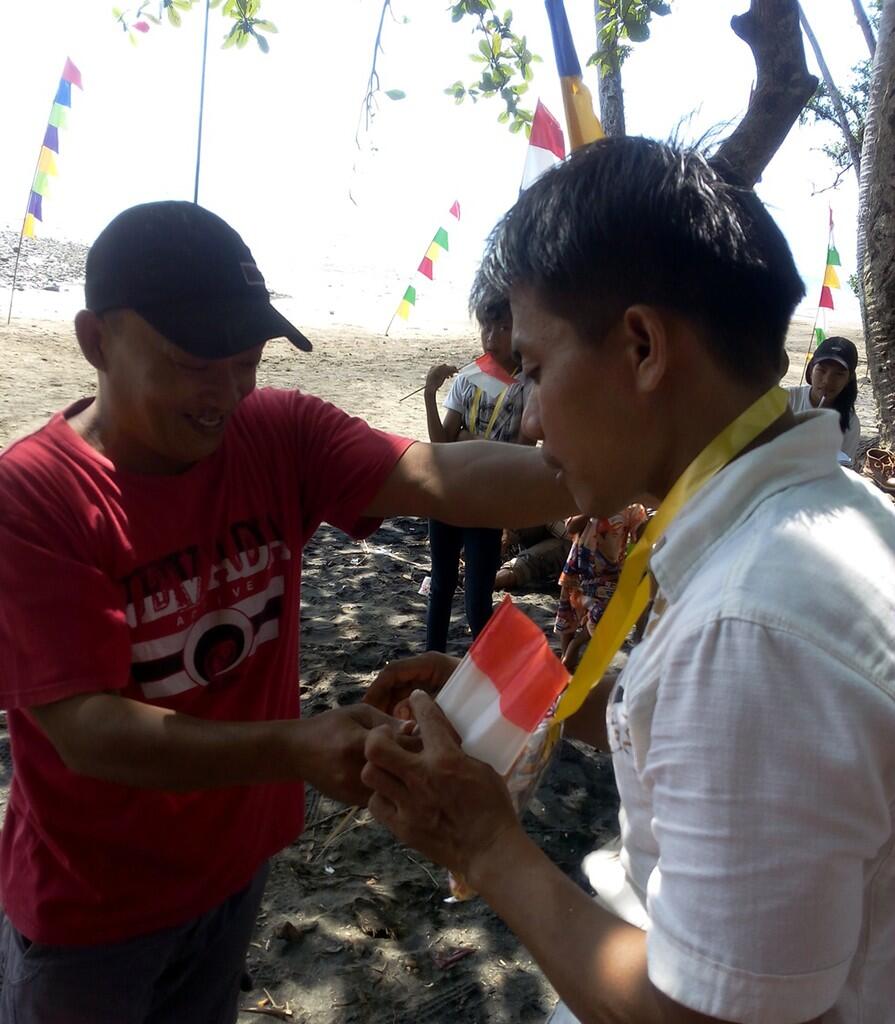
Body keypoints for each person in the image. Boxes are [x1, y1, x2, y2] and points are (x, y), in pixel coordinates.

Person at [362, 138, 895, 1024]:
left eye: (533, 369)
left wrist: (486, 845)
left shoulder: (750, 630)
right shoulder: (821, 515)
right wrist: (532, 706)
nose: (528, 419)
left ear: (642, 346)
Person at [0, 201, 573, 1023]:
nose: (227, 391)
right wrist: (294, 747)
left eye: (248, 359)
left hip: (235, 868)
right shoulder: (36, 499)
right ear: (96, 341)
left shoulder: (274, 434)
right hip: (91, 908)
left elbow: (440, 475)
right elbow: (88, 731)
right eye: (196, 358)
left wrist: (614, 467)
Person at [423, 279, 531, 652]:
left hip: (487, 506)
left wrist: (472, 444)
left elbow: (522, 453)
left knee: (477, 601)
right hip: (447, 497)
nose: (492, 336)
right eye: (487, 325)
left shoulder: (526, 386)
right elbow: (441, 445)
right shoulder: (468, 378)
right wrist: (429, 395)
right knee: (440, 586)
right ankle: (431, 664)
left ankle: (482, 676)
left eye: (504, 327)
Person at [554, 505, 649, 668]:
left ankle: (574, 646)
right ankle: (566, 658)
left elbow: (641, 533)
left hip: (609, 571)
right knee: (567, 612)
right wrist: (593, 510)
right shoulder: (589, 498)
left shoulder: (630, 505)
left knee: (603, 614)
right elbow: (571, 527)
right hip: (577, 568)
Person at [788, 336, 861, 464]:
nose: (827, 381)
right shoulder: (786, 399)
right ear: (811, 370)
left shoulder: (850, 422)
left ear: (848, 379)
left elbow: (842, 470)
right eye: (822, 370)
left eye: (839, 374)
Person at [493, 519, 572, 591]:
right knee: (516, 524)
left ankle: (493, 580)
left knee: (530, 560)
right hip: (550, 526)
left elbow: (574, 536)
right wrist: (506, 533)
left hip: (573, 545)